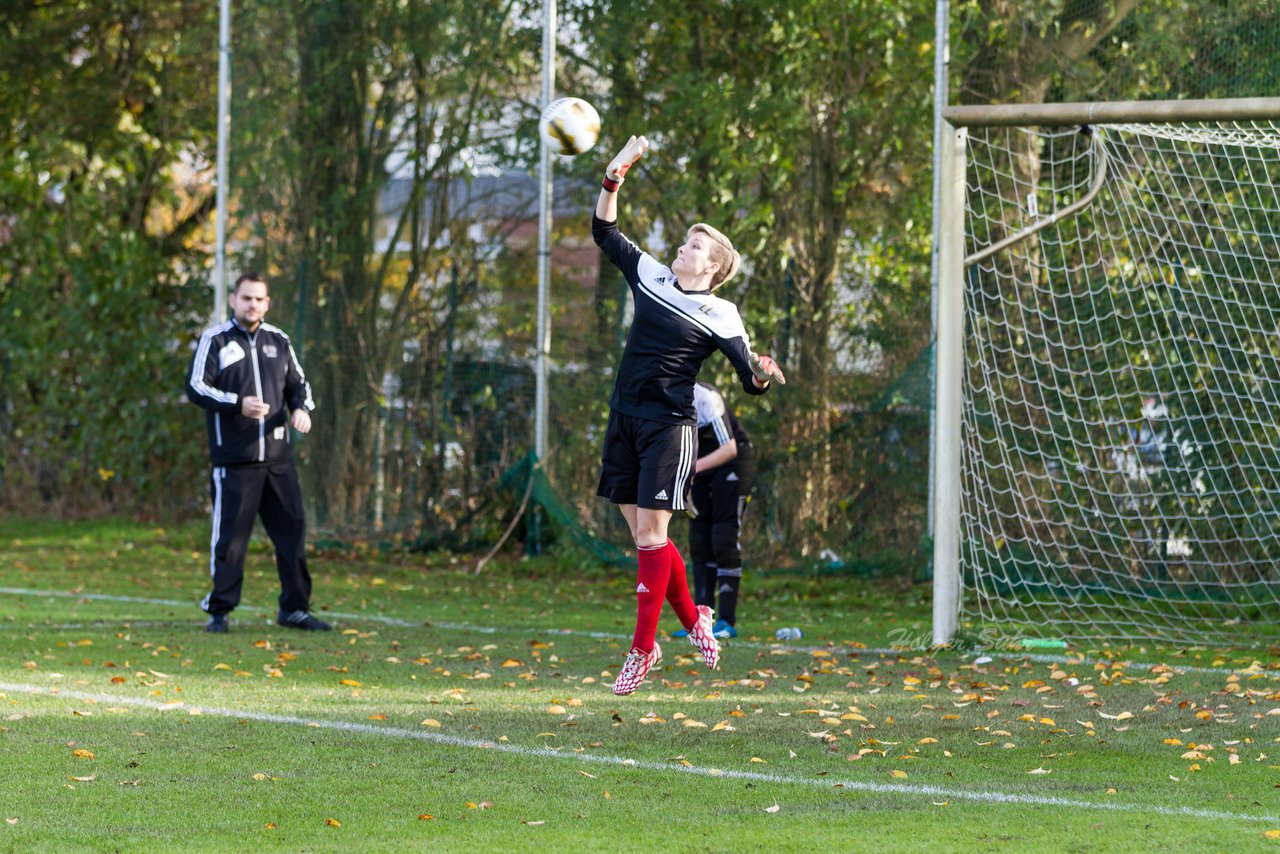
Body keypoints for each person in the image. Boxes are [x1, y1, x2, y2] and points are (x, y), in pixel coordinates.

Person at [592, 135, 785, 695]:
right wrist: (614, 176)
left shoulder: (721, 312)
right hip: (623, 418)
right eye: (685, 241)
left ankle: (642, 649)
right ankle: (696, 618)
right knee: (647, 539)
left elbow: (747, 378)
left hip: (669, 430)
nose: (683, 248)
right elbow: (605, 233)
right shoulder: (651, 275)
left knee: (654, 536)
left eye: (695, 246)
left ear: (715, 265)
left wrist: (761, 372)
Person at [185, 273, 331, 633]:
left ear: (267, 303)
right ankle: (219, 610)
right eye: (246, 298)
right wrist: (238, 404)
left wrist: (301, 409)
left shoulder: (278, 341)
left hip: (279, 461)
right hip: (235, 461)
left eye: (259, 299)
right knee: (231, 540)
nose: (252, 304)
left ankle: (295, 609)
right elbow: (195, 387)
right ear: (233, 299)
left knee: (292, 533)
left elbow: (300, 386)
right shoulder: (215, 340)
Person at [671, 381, 754, 641]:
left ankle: (726, 621)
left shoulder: (706, 398)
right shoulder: (661, 398)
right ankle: (700, 622)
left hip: (732, 464)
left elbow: (729, 449)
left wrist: (691, 469)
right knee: (699, 542)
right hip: (701, 468)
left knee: (723, 541)